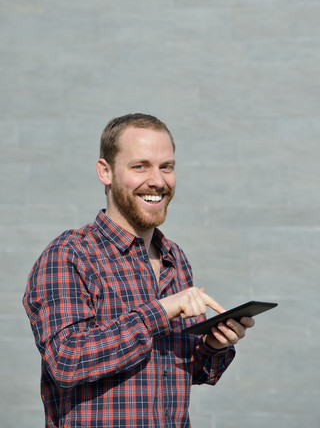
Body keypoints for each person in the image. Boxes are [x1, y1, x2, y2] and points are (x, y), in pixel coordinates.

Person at [23, 113, 254, 428]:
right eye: (140, 166)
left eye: (166, 167)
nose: (158, 181)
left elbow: (188, 370)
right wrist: (162, 311)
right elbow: (66, 361)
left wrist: (215, 345)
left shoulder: (175, 258)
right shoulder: (69, 254)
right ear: (105, 172)